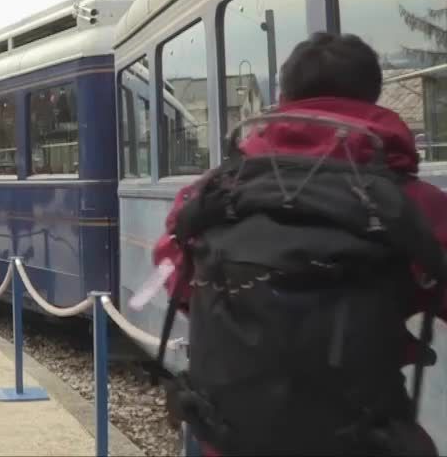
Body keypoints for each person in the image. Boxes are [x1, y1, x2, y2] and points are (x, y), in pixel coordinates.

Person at [152, 32, 447, 456]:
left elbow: (178, 286)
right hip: (364, 441)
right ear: (373, 96)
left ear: (283, 95)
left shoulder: (210, 195)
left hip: (231, 438)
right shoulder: (416, 204)